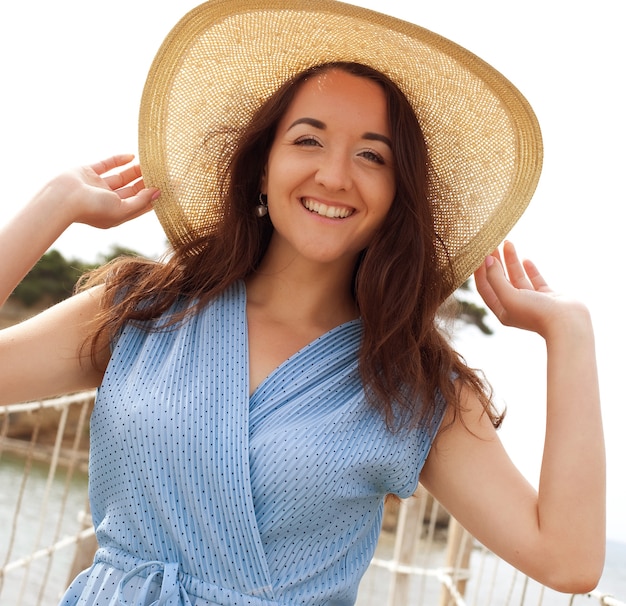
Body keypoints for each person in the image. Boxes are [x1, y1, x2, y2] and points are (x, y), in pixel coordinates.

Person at [0, 1, 605, 605]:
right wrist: (51, 207)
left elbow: (568, 560)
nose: (335, 175)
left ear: (398, 195)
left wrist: (571, 334)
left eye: (372, 155)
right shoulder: (144, 309)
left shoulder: (415, 385)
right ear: (264, 168)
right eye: (308, 140)